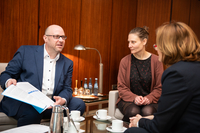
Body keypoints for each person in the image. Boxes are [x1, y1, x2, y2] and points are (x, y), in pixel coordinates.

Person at [0, 25, 86, 127]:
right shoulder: (26, 52)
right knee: (33, 111)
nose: (61, 40)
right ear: (45, 38)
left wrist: (62, 99)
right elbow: (6, 74)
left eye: (63, 37)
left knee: (79, 104)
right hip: (25, 103)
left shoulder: (67, 63)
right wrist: (8, 81)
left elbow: (67, 88)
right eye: (56, 36)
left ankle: (60, 129)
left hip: (50, 104)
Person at [125, 22, 200, 133]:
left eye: (157, 45)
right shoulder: (195, 68)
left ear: (168, 47)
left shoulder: (176, 74)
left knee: (132, 131)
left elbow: (159, 127)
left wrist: (139, 122)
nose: (156, 49)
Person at [116, 26, 164, 122]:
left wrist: (148, 99)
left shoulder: (157, 61)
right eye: (129, 42)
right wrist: (135, 98)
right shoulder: (125, 61)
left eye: (133, 42)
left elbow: (159, 87)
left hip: (151, 101)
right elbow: (121, 87)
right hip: (129, 100)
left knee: (147, 111)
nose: (129, 45)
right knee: (134, 111)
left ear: (144, 42)